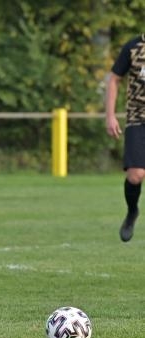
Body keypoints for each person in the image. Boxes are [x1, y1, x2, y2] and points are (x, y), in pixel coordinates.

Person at [105, 33, 145, 242]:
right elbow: (114, 80)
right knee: (135, 175)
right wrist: (110, 116)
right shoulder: (133, 47)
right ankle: (132, 212)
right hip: (138, 118)